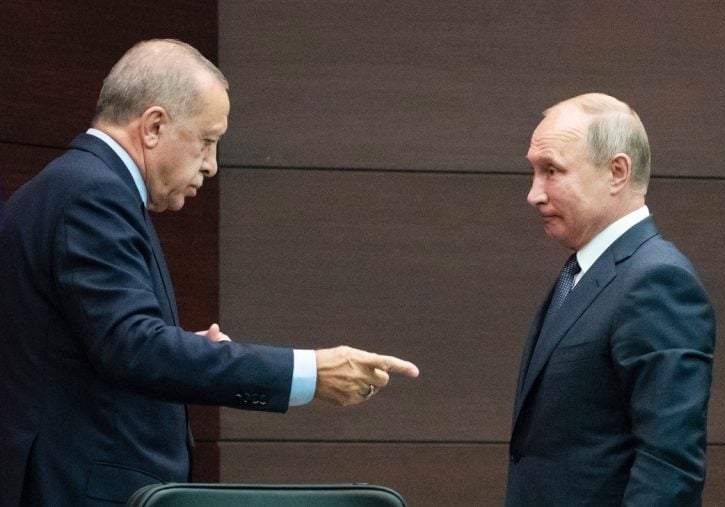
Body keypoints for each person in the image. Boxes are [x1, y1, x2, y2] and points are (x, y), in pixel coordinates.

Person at [0, 39, 419, 506]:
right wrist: (308, 372)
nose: (212, 165)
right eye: (207, 141)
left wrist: (186, 349)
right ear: (154, 126)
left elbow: (92, 343)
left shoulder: (71, 186)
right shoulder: (92, 193)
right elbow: (133, 347)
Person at [506, 93, 715, 505]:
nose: (534, 194)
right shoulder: (583, 271)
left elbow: (669, 466)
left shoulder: (657, 281)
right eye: (534, 171)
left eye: (552, 171)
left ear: (617, 171)